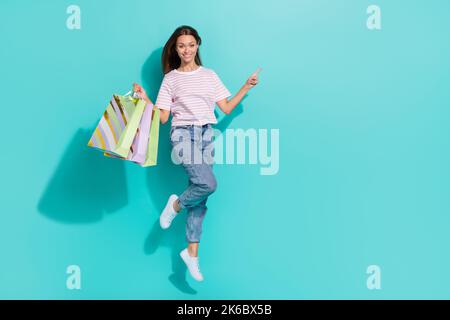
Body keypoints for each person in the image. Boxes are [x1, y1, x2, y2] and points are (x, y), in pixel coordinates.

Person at [133, 25, 260, 281]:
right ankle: (175, 205)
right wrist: (146, 98)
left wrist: (246, 87)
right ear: (175, 49)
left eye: (191, 44)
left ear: (198, 45)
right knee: (207, 184)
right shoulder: (170, 79)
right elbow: (163, 117)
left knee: (200, 200)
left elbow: (224, 108)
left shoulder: (209, 75)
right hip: (181, 134)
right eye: (181, 46)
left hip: (206, 135)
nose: (186, 50)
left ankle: (191, 255)